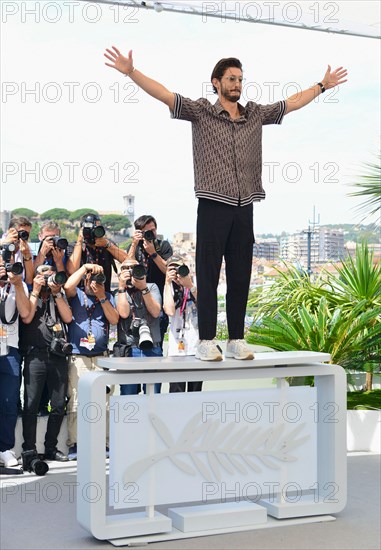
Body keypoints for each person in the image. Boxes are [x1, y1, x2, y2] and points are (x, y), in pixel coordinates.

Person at [104, 46, 347, 361]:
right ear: (216, 82)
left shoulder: (254, 114)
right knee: (207, 273)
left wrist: (322, 85)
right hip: (213, 204)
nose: (237, 84)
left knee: (241, 274)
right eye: (231, 79)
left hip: (245, 204)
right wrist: (131, 72)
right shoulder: (202, 111)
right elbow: (165, 95)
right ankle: (206, 340)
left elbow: (291, 103)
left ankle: (236, 339)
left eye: (240, 79)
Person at [64, 263, 119, 460]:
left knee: (104, 402)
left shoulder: (108, 297)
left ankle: (104, 443)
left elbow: (114, 319)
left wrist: (102, 296)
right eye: (91, 278)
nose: (94, 282)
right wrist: (85, 268)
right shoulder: (77, 294)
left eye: (98, 278)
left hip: (101, 356)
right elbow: (68, 287)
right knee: (77, 401)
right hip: (79, 356)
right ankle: (75, 444)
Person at [19, 265, 72, 463]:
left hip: (57, 356)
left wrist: (57, 293)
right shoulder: (29, 294)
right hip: (35, 355)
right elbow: (26, 318)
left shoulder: (58, 296)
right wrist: (35, 290)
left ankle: (51, 447)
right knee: (31, 405)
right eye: (43, 276)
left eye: (51, 276)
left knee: (58, 405)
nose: (48, 280)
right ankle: (29, 449)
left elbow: (67, 318)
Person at [0, 250, 30, 468]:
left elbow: (26, 314)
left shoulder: (18, 284)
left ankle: (5, 448)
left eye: (6, 264)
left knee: (9, 402)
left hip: (9, 348)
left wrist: (18, 285)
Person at [116, 258, 162, 395]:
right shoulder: (118, 292)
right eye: (125, 269)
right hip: (129, 348)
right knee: (128, 396)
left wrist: (143, 288)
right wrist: (121, 287)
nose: (130, 272)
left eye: (134, 268)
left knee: (153, 396)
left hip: (152, 346)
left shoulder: (151, 287)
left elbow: (155, 311)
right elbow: (124, 313)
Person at [127, 215, 173, 346]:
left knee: (157, 341)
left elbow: (168, 271)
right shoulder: (134, 247)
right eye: (145, 232)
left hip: (157, 302)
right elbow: (126, 264)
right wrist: (134, 244)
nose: (150, 234)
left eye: (152, 230)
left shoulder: (163, 246)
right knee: (135, 341)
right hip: (137, 302)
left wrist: (153, 253)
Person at [163, 255, 202, 392]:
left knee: (195, 392)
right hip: (176, 350)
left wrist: (189, 285)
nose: (175, 272)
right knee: (176, 393)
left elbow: (205, 306)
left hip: (196, 348)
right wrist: (167, 282)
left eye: (177, 268)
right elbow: (169, 310)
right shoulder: (169, 287)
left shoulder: (193, 284)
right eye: (171, 268)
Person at [66, 213, 127, 292]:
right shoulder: (74, 246)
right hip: (80, 294)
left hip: (104, 292)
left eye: (98, 227)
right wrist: (80, 241)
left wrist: (107, 245)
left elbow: (127, 260)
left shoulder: (107, 244)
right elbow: (71, 271)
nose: (94, 231)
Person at [2, 216, 34, 286]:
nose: (23, 236)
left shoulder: (26, 249)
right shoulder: (1, 244)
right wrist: (5, 246)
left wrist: (27, 255)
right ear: (10, 231)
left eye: (26, 234)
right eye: (21, 233)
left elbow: (29, 281)